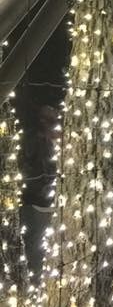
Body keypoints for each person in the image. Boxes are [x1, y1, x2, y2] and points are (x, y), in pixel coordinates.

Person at [19, 104, 58, 282]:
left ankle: (38, 280)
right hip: (36, 201)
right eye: (47, 119)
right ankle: (33, 283)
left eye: (53, 120)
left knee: (43, 244)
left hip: (47, 200)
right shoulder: (34, 141)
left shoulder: (51, 142)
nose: (50, 123)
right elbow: (31, 169)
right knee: (35, 245)